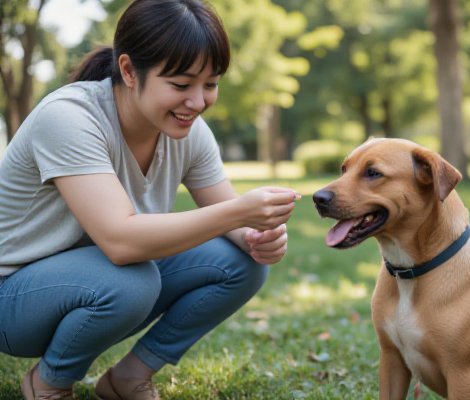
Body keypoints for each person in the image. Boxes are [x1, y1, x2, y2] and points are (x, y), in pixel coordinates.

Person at [0, 0, 300, 399]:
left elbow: (233, 220)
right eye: (180, 85)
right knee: (132, 279)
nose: (197, 102)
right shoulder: (69, 117)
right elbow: (121, 242)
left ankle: (128, 378)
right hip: (12, 296)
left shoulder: (188, 131)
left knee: (241, 263)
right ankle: (48, 384)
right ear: (128, 71)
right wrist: (240, 212)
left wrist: (257, 237)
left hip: (97, 281)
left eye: (210, 84)